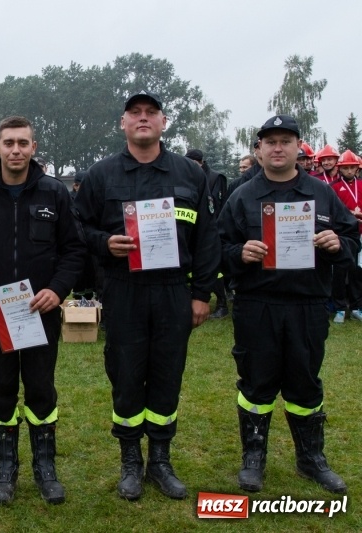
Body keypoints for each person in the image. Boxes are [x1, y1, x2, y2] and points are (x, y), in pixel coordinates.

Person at [75, 90, 219, 501]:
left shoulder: (190, 174)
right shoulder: (101, 175)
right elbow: (77, 228)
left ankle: (159, 459)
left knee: (167, 374)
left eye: (150, 113)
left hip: (174, 290)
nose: (143, 118)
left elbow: (208, 238)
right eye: (134, 113)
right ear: (123, 123)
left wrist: (201, 293)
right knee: (125, 374)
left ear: (163, 121)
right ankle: (130, 462)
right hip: (125, 290)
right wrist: (105, 243)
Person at [218, 115, 358, 495]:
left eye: (285, 140)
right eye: (270, 142)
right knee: (256, 383)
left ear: (299, 147)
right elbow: (216, 249)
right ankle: (253, 458)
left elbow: (351, 241)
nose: (277, 147)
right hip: (256, 304)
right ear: (259, 149)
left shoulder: (322, 194)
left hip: (307, 304)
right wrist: (238, 253)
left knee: (305, 382)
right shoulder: (242, 196)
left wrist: (338, 245)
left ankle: (311, 459)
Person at [0, 116, 84, 505]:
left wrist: (57, 290)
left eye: (22, 143)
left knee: (41, 388)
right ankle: (5, 469)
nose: (15, 150)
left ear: (34, 147)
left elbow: (73, 250)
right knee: (1, 389)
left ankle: (46, 468)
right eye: (8, 142)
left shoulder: (54, 193)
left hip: (39, 312)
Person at [185, 149, 229, 318]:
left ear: (201, 162)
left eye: (194, 163)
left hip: (212, 228)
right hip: (191, 228)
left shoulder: (215, 178)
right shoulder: (185, 177)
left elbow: (219, 204)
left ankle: (222, 302)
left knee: (215, 269)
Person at [329, 150, 362, 323]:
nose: (349, 171)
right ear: (340, 169)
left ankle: (356, 307)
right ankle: (340, 308)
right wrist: (349, 213)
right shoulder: (332, 187)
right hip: (341, 233)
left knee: (357, 271)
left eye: (352, 168)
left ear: (357, 169)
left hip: (361, 233)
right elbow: (331, 210)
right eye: (346, 168)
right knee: (340, 272)